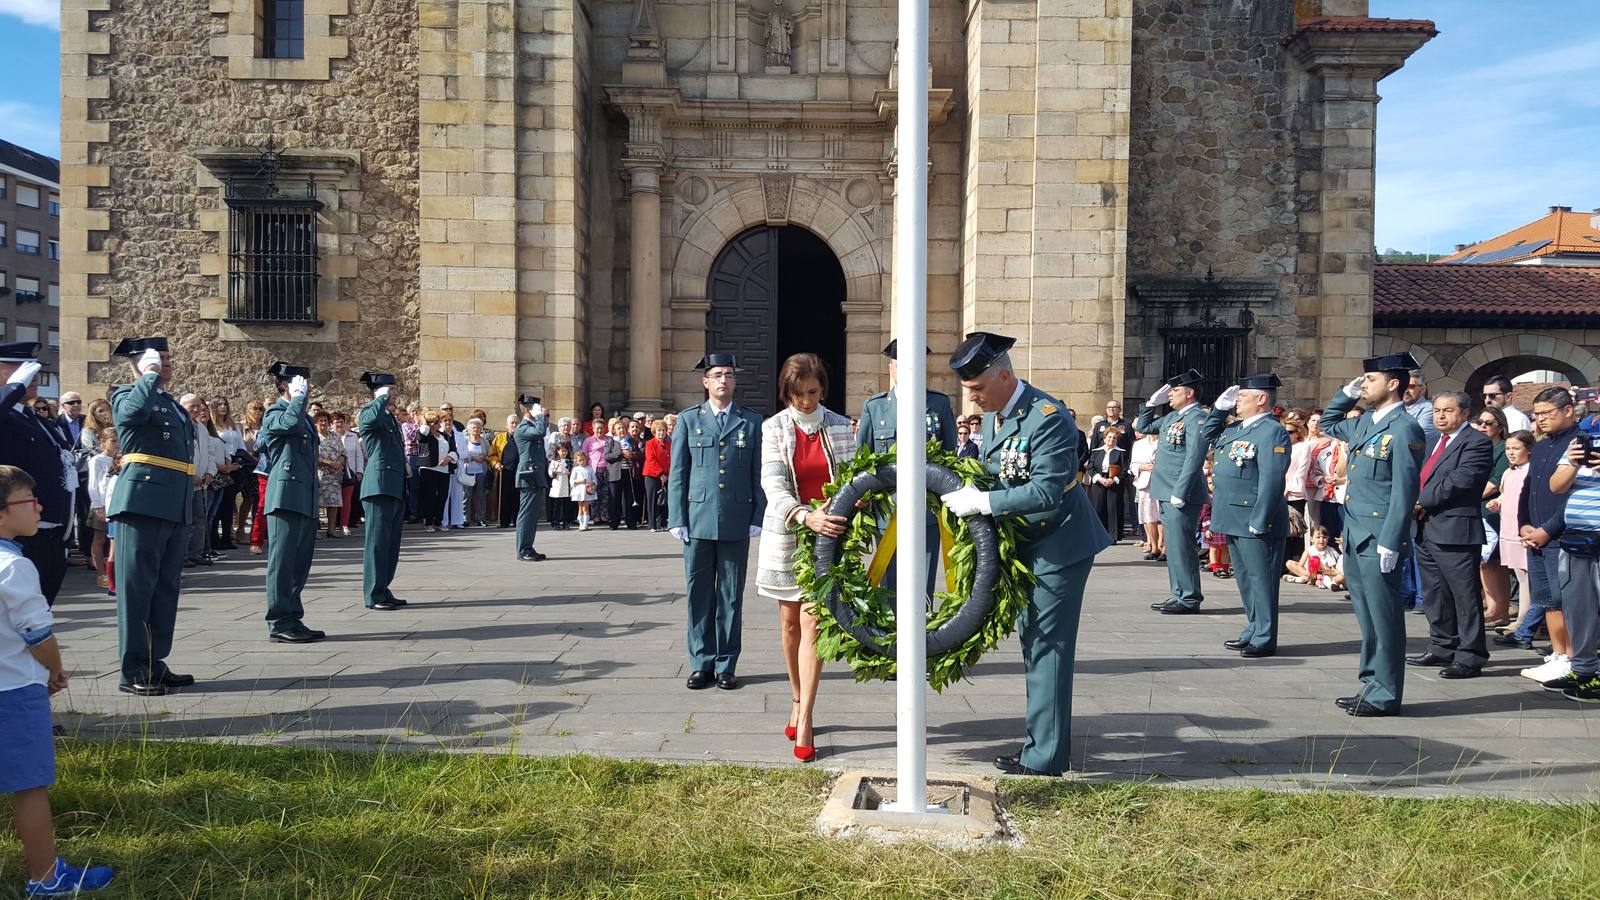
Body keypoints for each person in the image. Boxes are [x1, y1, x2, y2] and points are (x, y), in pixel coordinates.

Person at [937, 332, 1111, 777]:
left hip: (1060, 545)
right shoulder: (996, 414)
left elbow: (1048, 491)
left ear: (1005, 375)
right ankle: (1041, 743)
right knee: (1033, 642)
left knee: (1047, 645)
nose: (972, 400)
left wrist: (986, 503)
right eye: (968, 391)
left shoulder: (1047, 417)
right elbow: (999, 472)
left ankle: (1046, 757)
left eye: (977, 389)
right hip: (1025, 543)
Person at [0, 465, 116, 896]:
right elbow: (37, 634)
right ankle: (46, 878)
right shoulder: (14, 566)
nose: (40, 506)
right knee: (29, 787)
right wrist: (53, 669)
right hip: (13, 690)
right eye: (29, 500)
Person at [755, 353, 855, 762]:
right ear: (787, 393)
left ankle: (808, 716)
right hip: (789, 534)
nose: (806, 401)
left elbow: (851, 477)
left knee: (814, 624)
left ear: (822, 389)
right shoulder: (773, 427)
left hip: (829, 536)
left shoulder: (841, 426)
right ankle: (795, 698)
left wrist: (848, 504)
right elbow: (773, 483)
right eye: (798, 395)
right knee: (790, 623)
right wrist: (803, 515)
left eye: (812, 392)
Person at [1318, 353, 1426, 717]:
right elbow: (1330, 423)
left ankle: (1385, 693)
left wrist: (1392, 540)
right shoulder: (1364, 422)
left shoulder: (1404, 428)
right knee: (1367, 617)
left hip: (1379, 535)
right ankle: (1371, 683)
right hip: (1356, 532)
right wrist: (1344, 395)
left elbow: (1404, 490)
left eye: (1370, 380)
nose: (1364, 386)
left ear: (1393, 383)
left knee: (1386, 618)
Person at [668, 352, 766, 691]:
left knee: (731, 595)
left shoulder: (751, 421)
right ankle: (701, 662)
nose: (724, 380)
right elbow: (678, 472)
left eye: (729, 375)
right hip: (696, 520)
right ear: (705, 381)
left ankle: (727, 663)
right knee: (699, 594)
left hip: (737, 518)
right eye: (718, 375)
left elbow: (759, 473)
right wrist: (676, 517)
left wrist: (758, 515)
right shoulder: (688, 420)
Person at [103, 338, 196, 694]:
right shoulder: (127, 393)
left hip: (174, 501)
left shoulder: (169, 403)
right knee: (137, 589)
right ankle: (133, 669)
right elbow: (128, 417)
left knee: (165, 588)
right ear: (138, 365)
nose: (166, 364)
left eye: (168, 359)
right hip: (142, 501)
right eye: (159, 359)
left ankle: (155, 661)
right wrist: (148, 376)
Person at [856, 340, 959, 602]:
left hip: (927, 509)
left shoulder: (938, 404)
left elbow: (949, 456)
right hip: (887, 511)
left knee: (922, 588)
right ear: (892, 368)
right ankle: (890, 641)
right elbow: (863, 461)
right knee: (889, 585)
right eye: (902, 364)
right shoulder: (875, 407)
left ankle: (924, 641)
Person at [1202, 374, 1292, 658]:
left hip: (1254, 519)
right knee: (1244, 578)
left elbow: (1272, 479)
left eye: (1242, 396)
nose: (1237, 401)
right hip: (1231, 516)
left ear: (1261, 398)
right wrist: (1218, 409)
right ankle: (1253, 628)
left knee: (1262, 579)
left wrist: (1260, 517)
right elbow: (1207, 434)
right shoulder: (1237, 429)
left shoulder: (1271, 432)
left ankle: (1265, 636)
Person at [1408, 390, 1494, 679]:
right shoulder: (1432, 441)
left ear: (1464, 413)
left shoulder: (1477, 442)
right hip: (1425, 527)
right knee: (1434, 592)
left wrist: (1420, 501)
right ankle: (1442, 645)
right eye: (1436, 411)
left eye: (1447, 410)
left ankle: (1471, 655)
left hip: (1456, 529)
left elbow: (1461, 480)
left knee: (1464, 596)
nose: (1440, 416)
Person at [1501, 389, 1582, 662]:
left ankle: (1574, 657)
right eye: (1537, 414)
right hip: (1534, 534)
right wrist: (1524, 523)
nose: (1541, 420)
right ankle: (1559, 654)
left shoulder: (1580, 443)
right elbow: (1529, 487)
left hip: (1562, 535)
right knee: (1546, 599)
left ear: (1568, 411)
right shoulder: (1542, 446)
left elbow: (1575, 495)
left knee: (1565, 600)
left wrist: (1547, 529)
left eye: (1547, 413)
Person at [0, 343, 73, 606]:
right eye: (20, 370)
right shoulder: (6, 417)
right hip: (20, 534)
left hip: (52, 533)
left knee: (41, 612)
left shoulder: (37, 419)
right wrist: (11, 389)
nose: (30, 378)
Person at [259, 362, 327, 644]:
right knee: (282, 561)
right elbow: (287, 425)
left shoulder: (303, 415)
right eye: (300, 382)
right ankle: (278, 621)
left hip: (305, 496)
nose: (306, 386)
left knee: (299, 562)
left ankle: (293, 616)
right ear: (285, 385)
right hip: (285, 496)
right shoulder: (275, 412)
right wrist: (297, 399)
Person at [1134, 368, 1209, 615]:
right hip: (1164, 490)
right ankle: (1178, 593)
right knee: (1174, 547)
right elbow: (1144, 426)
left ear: (1189, 393)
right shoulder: (1172, 418)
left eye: (1175, 391)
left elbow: (1194, 458)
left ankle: (1189, 597)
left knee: (1182, 546)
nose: (1170, 395)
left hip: (1180, 492)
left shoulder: (1196, 418)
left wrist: (1181, 490)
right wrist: (1151, 403)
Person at [1545, 419, 1600, 701]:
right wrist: (1575, 463)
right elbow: (1555, 485)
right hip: (1577, 538)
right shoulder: (1580, 443)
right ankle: (1584, 669)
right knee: (1579, 609)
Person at [356, 373, 407, 611]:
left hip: (394, 484)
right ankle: (373, 593)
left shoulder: (389, 417)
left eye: (394, 390)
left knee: (390, 543)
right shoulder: (370, 411)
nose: (395, 393)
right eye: (391, 389)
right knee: (377, 543)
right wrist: (378, 399)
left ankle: (383, 588)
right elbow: (366, 423)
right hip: (378, 485)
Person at [1471, 407, 1512, 629]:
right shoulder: (1479, 447)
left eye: (1489, 423)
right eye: (1481, 422)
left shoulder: (1502, 449)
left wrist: (1467, 497)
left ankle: (1500, 610)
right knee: (1483, 564)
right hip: (1477, 509)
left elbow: (1494, 483)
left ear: (1501, 426)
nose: (1484, 426)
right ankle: (1491, 606)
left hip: (1492, 509)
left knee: (1493, 563)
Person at [513, 395, 551, 562]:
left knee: (532, 514)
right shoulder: (522, 428)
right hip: (528, 475)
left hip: (535, 475)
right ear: (529, 409)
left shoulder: (531, 426)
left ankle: (528, 546)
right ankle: (523, 550)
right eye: (537, 407)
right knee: (527, 513)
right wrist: (540, 416)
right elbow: (540, 432)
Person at [86, 428, 119, 590]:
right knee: (99, 539)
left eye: (119, 441)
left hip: (116, 503)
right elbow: (93, 485)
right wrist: (99, 506)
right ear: (103, 443)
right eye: (113, 441)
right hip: (101, 504)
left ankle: (113, 572)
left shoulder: (120, 459)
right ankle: (101, 573)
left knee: (114, 540)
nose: (117, 444)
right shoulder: (97, 460)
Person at [1085, 425, 1127, 543]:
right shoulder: (1096, 452)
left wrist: (1113, 480)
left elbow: (1125, 469)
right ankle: (1099, 535)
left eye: (1114, 438)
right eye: (1109, 437)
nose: (1111, 440)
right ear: (1104, 439)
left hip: (1114, 483)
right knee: (1098, 507)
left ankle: (1112, 537)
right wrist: (1099, 478)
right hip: (1099, 482)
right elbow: (1091, 467)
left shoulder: (1121, 453)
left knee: (1113, 509)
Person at [604, 417, 644, 530]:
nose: (621, 430)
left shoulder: (631, 441)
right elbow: (607, 456)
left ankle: (631, 522)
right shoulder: (610, 442)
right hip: (616, 473)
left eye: (622, 428)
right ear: (614, 431)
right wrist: (621, 453)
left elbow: (641, 454)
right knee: (615, 499)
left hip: (629, 472)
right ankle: (614, 522)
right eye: (618, 428)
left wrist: (632, 454)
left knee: (630, 498)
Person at [416, 413, 452, 532]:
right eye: (434, 422)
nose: (436, 424)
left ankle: (439, 521)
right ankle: (428, 522)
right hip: (429, 468)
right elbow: (422, 434)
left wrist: (449, 458)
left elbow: (453, 450)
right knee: (429, 495)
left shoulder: (444, 435)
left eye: (437, 421)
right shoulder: (424, 433)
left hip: (443, 469)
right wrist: (424, 422)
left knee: (442, 495)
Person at [1130, 430, 1162, 559]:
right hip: (1144, 482)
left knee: (1160, 515)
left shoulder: (1164, 441)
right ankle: (1153, 547)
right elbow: (1132, 464)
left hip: (1161, 481)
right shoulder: (1139, 444)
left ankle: (1162, 546)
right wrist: (1142, 467)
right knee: (1148, 515)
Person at [313, 411, 344, 538]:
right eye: (320, 420)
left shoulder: (335, 436)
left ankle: (331, 529)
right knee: (315, 503)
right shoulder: (314, 437)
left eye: (325, 420)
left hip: (334, 475)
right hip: (318, 475)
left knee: (334, 502)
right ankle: (314, 530)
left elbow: (343, 453)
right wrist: (328, 463)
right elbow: (312, 456)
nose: (323, 423)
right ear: (315, 423)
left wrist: (339, 462)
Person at [1286, 525, 1345, 591]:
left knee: (1318, 562)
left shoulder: (1331, 550)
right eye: (1318, 537)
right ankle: (1309, 579)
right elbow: (1300, 565)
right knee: (1289, 563)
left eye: (1324, 537)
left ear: (1328, 539)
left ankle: (1308, 580)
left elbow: (1334, 568)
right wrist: (1306, 573)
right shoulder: (1309, 550)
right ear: (1312, 539)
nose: (1321, 540)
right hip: (1311, 572)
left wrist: (1328, 571)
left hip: (1325, 573)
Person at [491, 413, 520, 528]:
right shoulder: (500, 438)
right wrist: (496, 464)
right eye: (512, 423)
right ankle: (504, 521)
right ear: (507, 425)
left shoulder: (522, 438)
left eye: (516, 423)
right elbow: (492, 454)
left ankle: (518, 521)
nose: (514, 425)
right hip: (504, 471)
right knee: (504, 497)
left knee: (518, 497)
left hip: (519, 472)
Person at [461, 418, 490, 527]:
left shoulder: (484, 441)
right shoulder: (465, 441)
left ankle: (481, 518)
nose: (475, 430)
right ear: (468, 429)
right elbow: (462, 455)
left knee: (481, 495)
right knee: (466, 495)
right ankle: (465, 518)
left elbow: (489, 454)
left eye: (478, 428)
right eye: (473, 427)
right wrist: (473, 457)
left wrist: (484, 458)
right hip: (468, 471)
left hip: (481, 472)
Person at [643, 419, 671, 532]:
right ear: (654, 431)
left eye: (663, 430)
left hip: (667, 475)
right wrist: (660, 474)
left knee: (665, 500)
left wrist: (667, 474)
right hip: (652, 475)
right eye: (659, 430)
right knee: (653, 500)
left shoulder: (669, 443)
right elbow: (651, 460)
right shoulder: (650, 443)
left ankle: (663, 522)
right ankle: (652, 524)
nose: (661, 433)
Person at [548, 442, 574, 530]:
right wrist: (555, 471)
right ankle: (556, 522)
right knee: (557, 505)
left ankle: (566, 522)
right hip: (557, 485)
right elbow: (550, 474)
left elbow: (572, 472)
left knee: (566, 504)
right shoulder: (554, 461)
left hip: (567, 485)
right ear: (557, 451)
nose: (564, 453)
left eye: (565, 451)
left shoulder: (569, 462)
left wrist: (570, 473)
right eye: (562, 451)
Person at [570, 448, 595, 531]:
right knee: (580, 507)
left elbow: (594, 479)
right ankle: (581, 524)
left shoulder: (589, 468)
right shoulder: (575, 469)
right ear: (576, 461)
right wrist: (580, 481)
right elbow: (572, 481)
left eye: (583, 459)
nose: (582, 461)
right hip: (579, 490)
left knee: (586, 507)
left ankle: (585, 524)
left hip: (587, 490)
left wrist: (592, 483)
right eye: (580, 460)